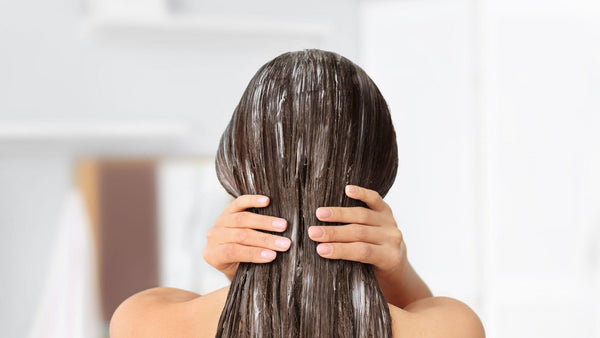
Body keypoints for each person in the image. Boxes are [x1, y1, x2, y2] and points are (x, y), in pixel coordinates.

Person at [110, 49, 485, 337]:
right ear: (381, 168)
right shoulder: (453, 327)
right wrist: (397, 272)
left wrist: (243, 272)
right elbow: (421, 313)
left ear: (237, 162)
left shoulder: (143, 321)